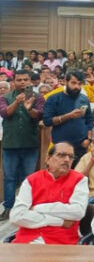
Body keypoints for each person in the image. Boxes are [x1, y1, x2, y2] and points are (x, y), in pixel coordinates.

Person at [10, 142, 89, 244]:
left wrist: (37, 208)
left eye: (71, 156)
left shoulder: (80, 180)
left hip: (62, 243)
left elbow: (78, 212)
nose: (67, 160)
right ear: (48, 159)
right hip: (27, 240)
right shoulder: (31, 180)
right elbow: (17, 216)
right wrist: (59, 221)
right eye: (61, 155)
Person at [0, 70, 45, 221]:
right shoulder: (4, 97)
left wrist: (29, 108)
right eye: (19, 80)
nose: (23, 82)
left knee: (29, 178)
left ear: (30, 81)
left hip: (30, 144)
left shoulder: (38, 97)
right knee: (9, 178)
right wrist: (17, 102)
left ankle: (28, 207)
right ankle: (8, 208)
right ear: (13, 82)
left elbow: (39, 115)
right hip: (10, 144)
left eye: (26, 79)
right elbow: (5, 114)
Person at [43, 71, 94, 164]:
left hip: (81, 147)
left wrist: (89, 139)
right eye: (73, 83)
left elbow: (89, 120)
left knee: (80, 176)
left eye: (79, 84)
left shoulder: (84, 99)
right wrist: (69, 116)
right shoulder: (53, 99)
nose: (77, 87)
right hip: (60, 147)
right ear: (65, 82)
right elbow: (47, 121)